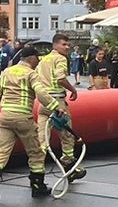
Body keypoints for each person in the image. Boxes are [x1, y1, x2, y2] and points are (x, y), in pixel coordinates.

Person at [0, 42, 48, 201]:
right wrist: (54, 106)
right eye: (37, 58)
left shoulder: (7, 72)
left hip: (5, 117)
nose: (38, 61)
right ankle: (37, 186)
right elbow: (40, 92)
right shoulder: (31, 74)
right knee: (36, 152)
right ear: (31, 58)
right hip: (23, 117)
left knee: (2, 151)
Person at [36, 32, 85, 179]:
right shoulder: (60, 59)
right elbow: (60, 78)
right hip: (58, 103)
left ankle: (36, 174)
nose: (67, 47)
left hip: (44, 102)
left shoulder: (43, 60)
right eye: (64, 44)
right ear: (55, 45)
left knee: (42, 139)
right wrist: (73, 90)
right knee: (67, 135)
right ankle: (69, 166)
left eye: (68, 45)